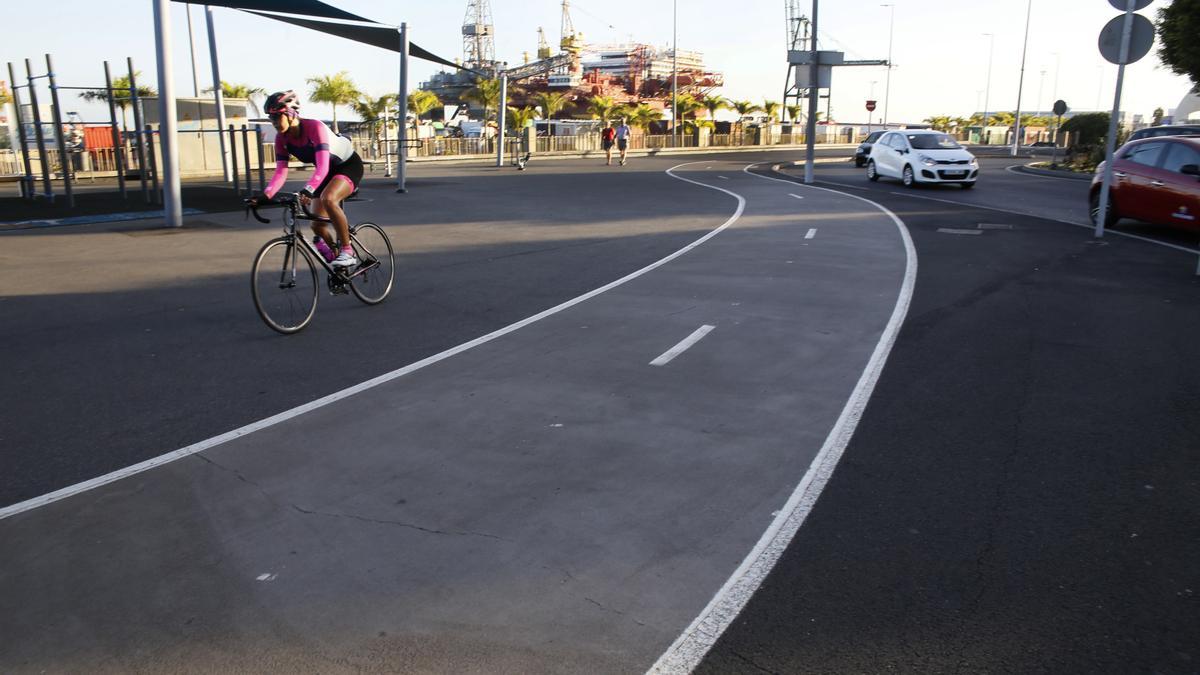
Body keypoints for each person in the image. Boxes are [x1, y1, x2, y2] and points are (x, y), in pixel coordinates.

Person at [251, 90, 363, 268]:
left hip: (347, 165)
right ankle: (337, 262)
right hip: (325, 173)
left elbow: (324, 166)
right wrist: (266, 196)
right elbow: (281, 172)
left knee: (329, 198)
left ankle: (347, 251)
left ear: (290, 113)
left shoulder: (314, 127)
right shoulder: (281, 139)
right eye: (270, 119)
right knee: (316, 226)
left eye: (276, 117)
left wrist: (308, 189)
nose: (273, 123)